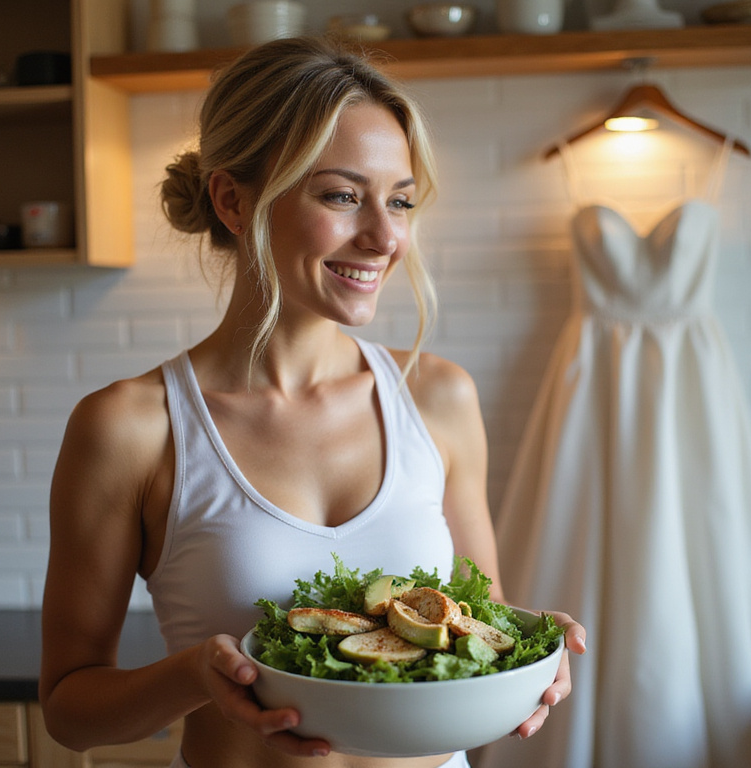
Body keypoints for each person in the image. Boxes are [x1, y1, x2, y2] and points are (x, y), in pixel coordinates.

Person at [38, 36, 586, 768]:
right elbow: (72, 713)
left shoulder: (440, 398)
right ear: (233, 200)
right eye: (342, 195)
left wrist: (524, 656)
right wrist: (195, 673)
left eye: (399, 200)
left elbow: (477, 620)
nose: (386, 236)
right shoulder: (132, 428)